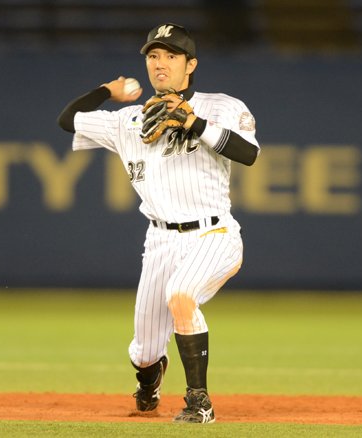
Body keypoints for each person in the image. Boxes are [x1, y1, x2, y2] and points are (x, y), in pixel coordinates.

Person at [57, 23, 259, 424]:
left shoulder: (220, 106)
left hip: (213, 233)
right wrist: (107, 91)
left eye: (171, 55)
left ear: (190, 64)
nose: (160, 63)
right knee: (144, 351)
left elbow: (248, 153)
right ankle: (150, 376)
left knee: (182, 295)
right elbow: (68, 120)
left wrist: (193, 122)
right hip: (160, 241)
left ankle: (199, 402)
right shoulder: (127, 120)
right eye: (153, 55)